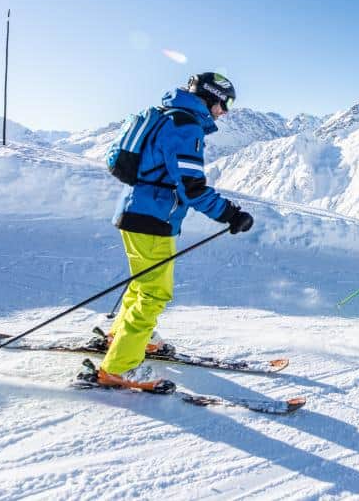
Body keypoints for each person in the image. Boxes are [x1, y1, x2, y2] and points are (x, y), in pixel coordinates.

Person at [98, 72, 254, 391]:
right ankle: (120, 366)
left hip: (133, 211)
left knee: (144, 283)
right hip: (153, 217)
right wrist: (231, 215)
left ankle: (124, 336)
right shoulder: (186, 126)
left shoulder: (168, 115)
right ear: (211, 97)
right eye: (225, 104)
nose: (225, 111)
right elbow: (193, 187)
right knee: (155, 292)